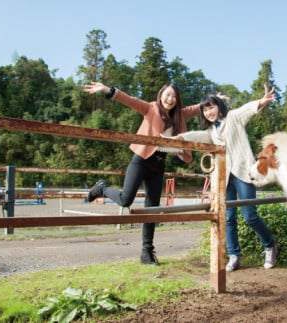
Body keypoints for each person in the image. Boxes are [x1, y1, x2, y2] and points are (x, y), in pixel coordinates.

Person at [82, 81, 201, 265]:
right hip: (141, 159)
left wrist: (214, 101)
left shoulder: (179, 116)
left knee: (152, 208)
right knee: (125, 200)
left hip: (159, 164)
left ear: (177, 101)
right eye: (167, 95)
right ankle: (102, 188)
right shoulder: (151, 108)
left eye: (174, 97)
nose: (170, 99)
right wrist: (108, 90)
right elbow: (130, 100)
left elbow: (196, 108)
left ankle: (147, 252)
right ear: (161, 95)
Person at [162, 84, 278, 271]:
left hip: (242, 173)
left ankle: (270, 246)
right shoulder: (210, 132)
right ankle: (234, 255)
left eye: (211, 107)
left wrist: (262, 101)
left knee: (250, 216)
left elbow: (248, 109)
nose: (209, 112)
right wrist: (180, 138)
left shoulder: (233, 118)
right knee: (228, 217)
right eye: (205, 110)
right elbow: (198, 136)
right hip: (224, 178)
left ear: (219, 106)